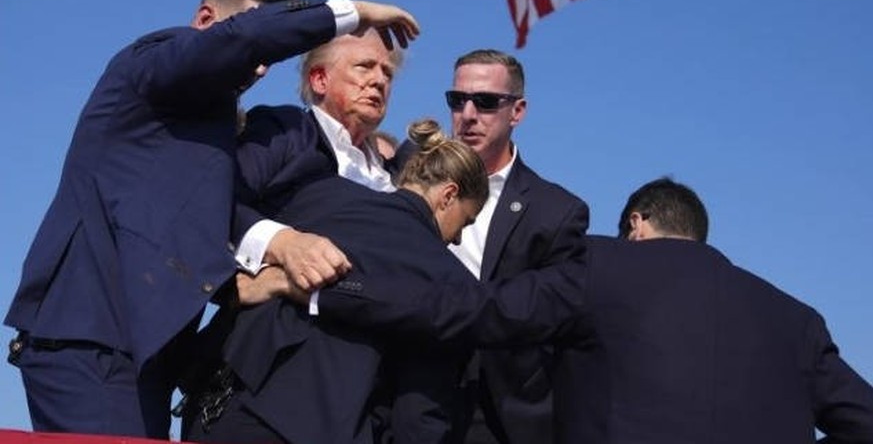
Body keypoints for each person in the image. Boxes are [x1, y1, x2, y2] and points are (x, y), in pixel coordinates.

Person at [3, 0, 419, 438]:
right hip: (93, 338)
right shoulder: (150, 62)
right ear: (205, 21)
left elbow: (184, 221)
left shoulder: (212, 126)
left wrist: (244, 287)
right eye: (255, 39)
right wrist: (351, 11)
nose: (261, 67)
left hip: (149, 352)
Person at [309, 177, 873, 443]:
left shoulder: (599, 268)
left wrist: (332, 288)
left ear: (636, 224)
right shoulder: (795, 319)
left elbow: (473, 311)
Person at [185, 119, 490, 444]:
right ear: (448, 195)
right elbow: (419, 415)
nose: (457, 239)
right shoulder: (447, 280)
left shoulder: (324, 194)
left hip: (215, 407)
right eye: (466, 221)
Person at [445, 49, 589, 444]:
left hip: (500, 416)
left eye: (486, 102)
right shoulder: (410, 180)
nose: (469, 114)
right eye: (457, 101)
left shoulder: (557, 211)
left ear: (518, 111)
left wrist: (453, 306)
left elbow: (554, 309)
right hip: (412, 403)